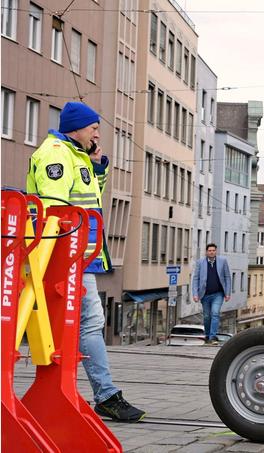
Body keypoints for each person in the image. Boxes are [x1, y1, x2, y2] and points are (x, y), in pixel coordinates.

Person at [26, 101, 146, 422]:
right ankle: (105, 395)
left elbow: (91, 200)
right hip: (66, 255)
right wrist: (63, 256)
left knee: (82, 323)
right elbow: (56, 210)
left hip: (78, 255)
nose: (97, 132)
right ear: (76, 128)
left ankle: (88, 393)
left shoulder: (75, 155)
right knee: (89, 322)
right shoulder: (56, 154)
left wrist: (97, 168)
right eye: (93, 127)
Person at [191, 243, 232, 344]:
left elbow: (227, 277)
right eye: (209, 250)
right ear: (206, 252)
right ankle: (207, 335)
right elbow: (196, 278)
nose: (211, 252)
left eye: (213, 250)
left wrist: (227, 293)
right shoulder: (200, 262)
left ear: (216, 251)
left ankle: (212, 336)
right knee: (206, 316)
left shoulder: (223, 261)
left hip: (218, 294)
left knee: (215, 313)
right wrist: (195, 294)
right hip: (204, 294)